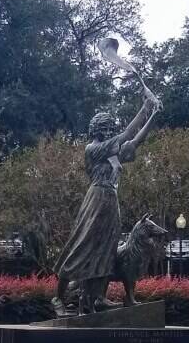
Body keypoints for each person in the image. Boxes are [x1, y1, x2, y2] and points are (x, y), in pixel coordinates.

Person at [52, 90, 161, 316]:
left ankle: (98, 297)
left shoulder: (113, 156)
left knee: (107, 251)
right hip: (95, 201)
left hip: (111, 202)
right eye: (106, 128)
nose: (110, 131)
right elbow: (125, 135)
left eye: (111, 127)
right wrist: (144, 108)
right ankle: (58, 297)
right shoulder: (93, 149)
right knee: (81, 247)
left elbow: (135, 141)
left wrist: (154, 115)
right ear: (97, 130)